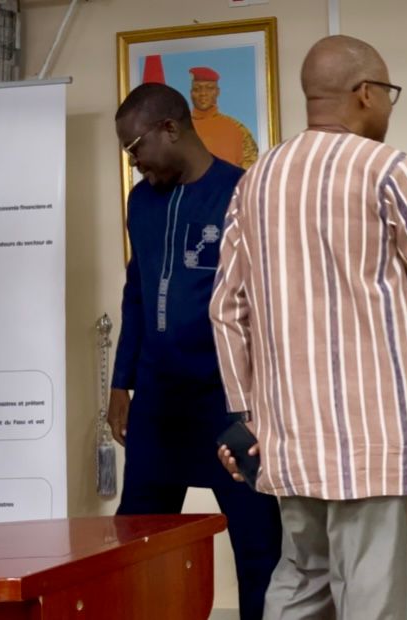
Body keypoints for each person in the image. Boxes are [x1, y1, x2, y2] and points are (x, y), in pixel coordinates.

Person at [211, 35, 407, 619]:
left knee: (301, 577)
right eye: (388, 94)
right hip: (371, 433)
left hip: (288, 432)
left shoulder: (256, 180)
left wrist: (247, 413)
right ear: (366, 93)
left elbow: (226, 309)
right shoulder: (389, 170)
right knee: (370, 588)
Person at [108, 82, 281, 620]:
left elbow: (271, 302)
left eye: (134, 147)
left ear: (169, 128)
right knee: (136, 541)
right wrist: (121, 382)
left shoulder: (243, 193)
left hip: (230, 402)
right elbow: (137, 293)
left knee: (259, 545)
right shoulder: (141, 201)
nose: (133, 163)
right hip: (159, 401)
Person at [188, 67, 258, 169]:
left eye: (209, 88)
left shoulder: (237, 129)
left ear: (217, 92)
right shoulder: (180, 129)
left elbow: (250, 169)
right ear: (191, 93)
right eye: (197, 89)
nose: (203, 93)